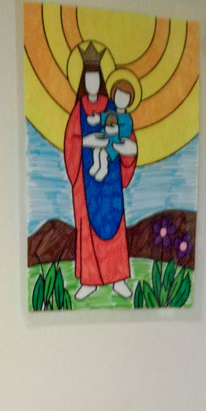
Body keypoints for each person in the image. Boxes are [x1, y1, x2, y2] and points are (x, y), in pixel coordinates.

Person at [64, 55, 138, 300]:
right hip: (87, 183)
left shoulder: (111, 106)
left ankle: (118, 279)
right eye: (89, 80)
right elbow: (71, 142)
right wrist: (87, 141)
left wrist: (124, 148)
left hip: (110, 184)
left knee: (114, 227)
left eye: (97, 80)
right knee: (89, 230)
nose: (93, 85)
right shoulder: (78, 110)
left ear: (102, 82)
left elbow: (127, 135)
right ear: (83, 82)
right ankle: (90, 281)